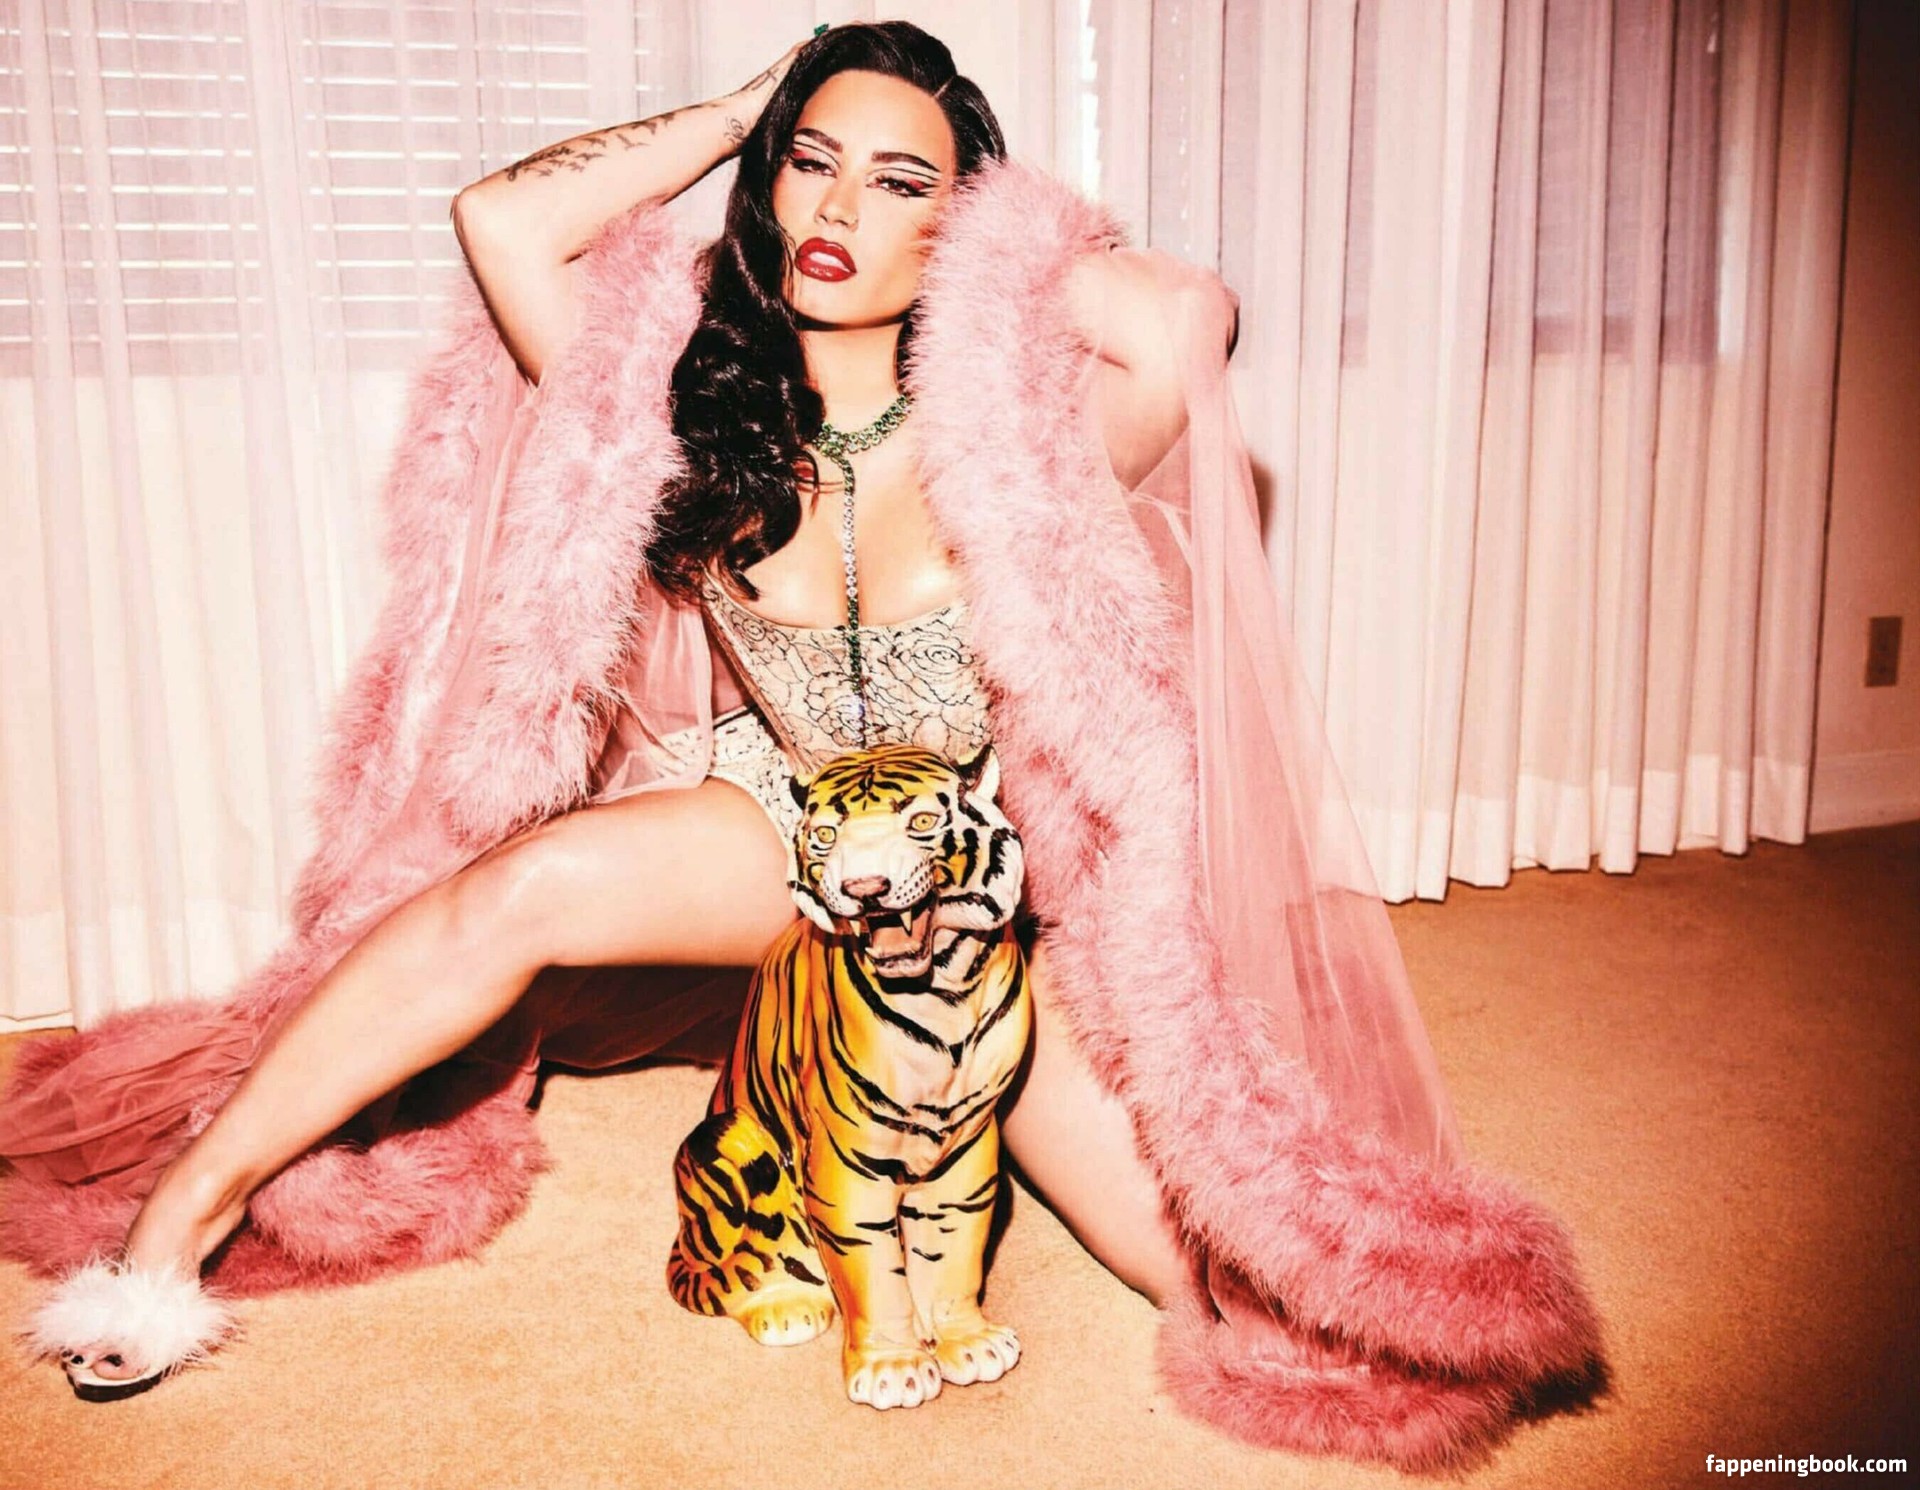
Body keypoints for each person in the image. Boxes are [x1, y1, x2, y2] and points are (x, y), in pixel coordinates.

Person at [3, 21, 1599, 1467]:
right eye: (812, 164)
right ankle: (180, 1217)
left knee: (1218, 1283)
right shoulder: (682, 410)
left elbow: (1192, 313)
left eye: (901, 182)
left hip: (990, 885)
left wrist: (1000, 252)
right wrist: (739, 112)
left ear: (962, 224)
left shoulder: (1039, 429)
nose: (839, 206)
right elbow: (502, 222)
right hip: (787, 825)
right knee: (517, 888)